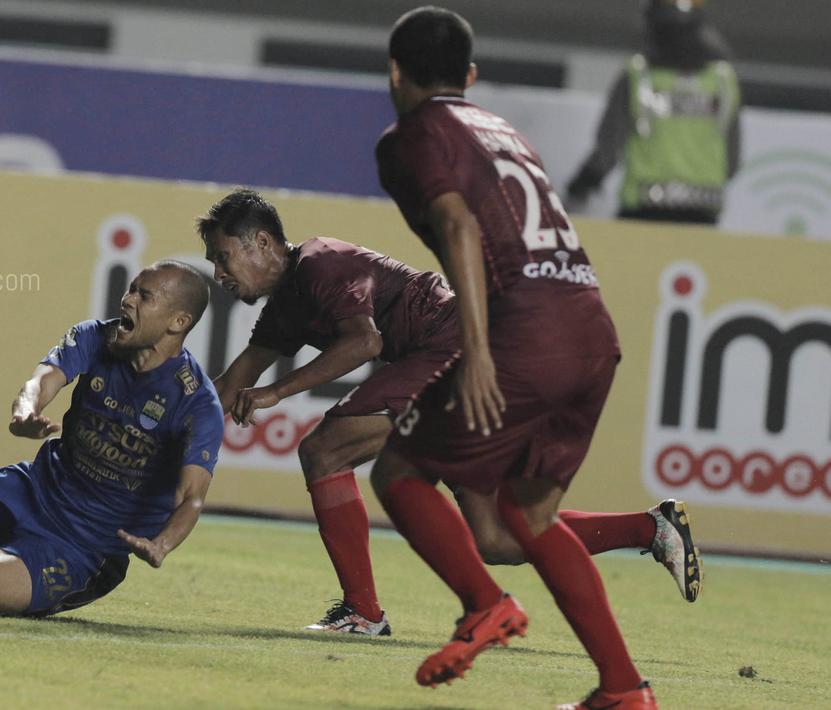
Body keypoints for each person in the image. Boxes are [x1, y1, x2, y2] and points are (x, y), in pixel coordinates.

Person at [199, 189, 701, 642]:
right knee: (499, 538)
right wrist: (158, 420)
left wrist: (277, 391)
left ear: (262, 243)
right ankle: (651, 528)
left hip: (457, 348)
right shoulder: (284, 306)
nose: (219, 273)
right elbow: (227, 385)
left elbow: (365, 341)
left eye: (223, 258)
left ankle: (363, 612)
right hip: (469, 358)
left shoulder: (319, 263)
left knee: (325, 450)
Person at [374, 7, 665, 709]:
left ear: (393, 73)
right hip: (591, 331)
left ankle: (482, 606)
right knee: (524, 519)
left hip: (525, 334)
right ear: (469, 77)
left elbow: (456, 225)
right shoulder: (501, 129)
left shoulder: (413, 134)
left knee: (398, 470)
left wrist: (475, 352)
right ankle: (624, 692)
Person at [0, 261, 225, 617]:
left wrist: (162, 545)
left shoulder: (196, 401)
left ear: (178, 322)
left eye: (144, 296)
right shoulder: (95, 336)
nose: (127, 300)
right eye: (131, 289)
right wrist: (25, 410)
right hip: (32, 489)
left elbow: (191, 498)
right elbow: (41, 380)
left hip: (84, 543)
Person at [567, 0, 740, 225]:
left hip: (643, 213)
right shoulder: (722, 81)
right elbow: (732, 162)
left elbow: (607, 150)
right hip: (703, 217)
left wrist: (581, 186)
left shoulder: (638, 75)